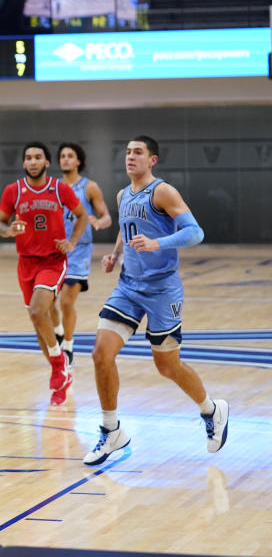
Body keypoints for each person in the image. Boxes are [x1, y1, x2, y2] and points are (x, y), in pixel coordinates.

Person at [84, 136, 228, 465]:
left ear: (152, 160)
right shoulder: (123, 194)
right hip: (128, 287)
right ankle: (111, 429)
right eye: (128, 152)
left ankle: (212, 410)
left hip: (162, 290)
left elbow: (195, 233)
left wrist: (157, 243)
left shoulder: (162, 192)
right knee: (100, 354)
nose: (130, 157)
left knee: (167, 366)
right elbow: (125, 227)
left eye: (138, 153)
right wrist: (115, 255)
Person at [0, 141, 87, 406]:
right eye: (28, 158)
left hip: (52, 261)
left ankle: (59, 363)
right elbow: (0, 223)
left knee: (38, 311)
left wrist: (72, 242)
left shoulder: (60, 189)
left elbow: (81, 216)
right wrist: (8, 230)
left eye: (38, 157)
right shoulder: (13, 191)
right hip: (25, 263)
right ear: (24, 163)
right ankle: (62, 373)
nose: (33, 161)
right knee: (38, 325)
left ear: (47, 162)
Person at [49, 142, 111, 365]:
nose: (65, 159)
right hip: (54, 250)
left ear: (78, 161)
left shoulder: (89, 187)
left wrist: (98, 221)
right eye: (62, 156)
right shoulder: (52, 187)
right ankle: (57, 330)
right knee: (47, 302)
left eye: (70, 156)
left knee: (66, 302)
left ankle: (68, 346)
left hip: (79, 250)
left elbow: (106, 216)